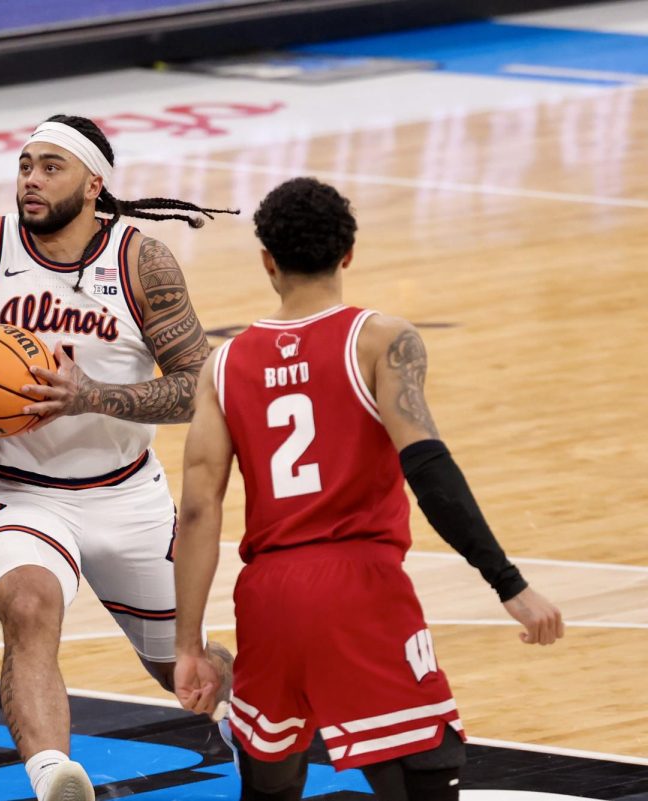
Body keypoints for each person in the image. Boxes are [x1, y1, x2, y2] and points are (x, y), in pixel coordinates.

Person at [171, 176, 565, 800]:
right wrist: (508, 584)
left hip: (268, 597)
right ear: (348, 254)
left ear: (267, 260)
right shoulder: (382, 340)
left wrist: (188, 643)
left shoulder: (225, 364)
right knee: (426, 771)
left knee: (269, 777)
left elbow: (197, 513)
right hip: (359, 586)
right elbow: (430, 471)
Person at [0, 114, 237, 801]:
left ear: (93, 184)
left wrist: (92, 397)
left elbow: (196, 390)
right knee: (28, 606)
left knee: (183, 664)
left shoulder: (141, 261)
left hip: (128, 495)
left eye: (50, 166)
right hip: (22, 493)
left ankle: (256, 729)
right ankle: (55, 776)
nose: (30, 178)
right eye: (25, 164)